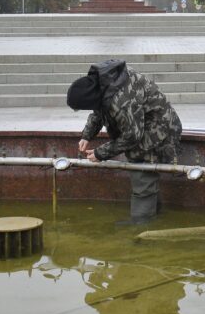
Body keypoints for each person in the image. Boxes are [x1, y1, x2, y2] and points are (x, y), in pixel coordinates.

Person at [67, 59, 182, 225]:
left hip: (159, 131)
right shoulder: (103, 84)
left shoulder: (121, 100)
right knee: (145, 177)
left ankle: (140, 225)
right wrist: (87, 135)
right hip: (146, 127)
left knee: (142, 171)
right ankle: (153, 216)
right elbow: (98, 112)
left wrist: (101, 153)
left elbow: (132, 136)